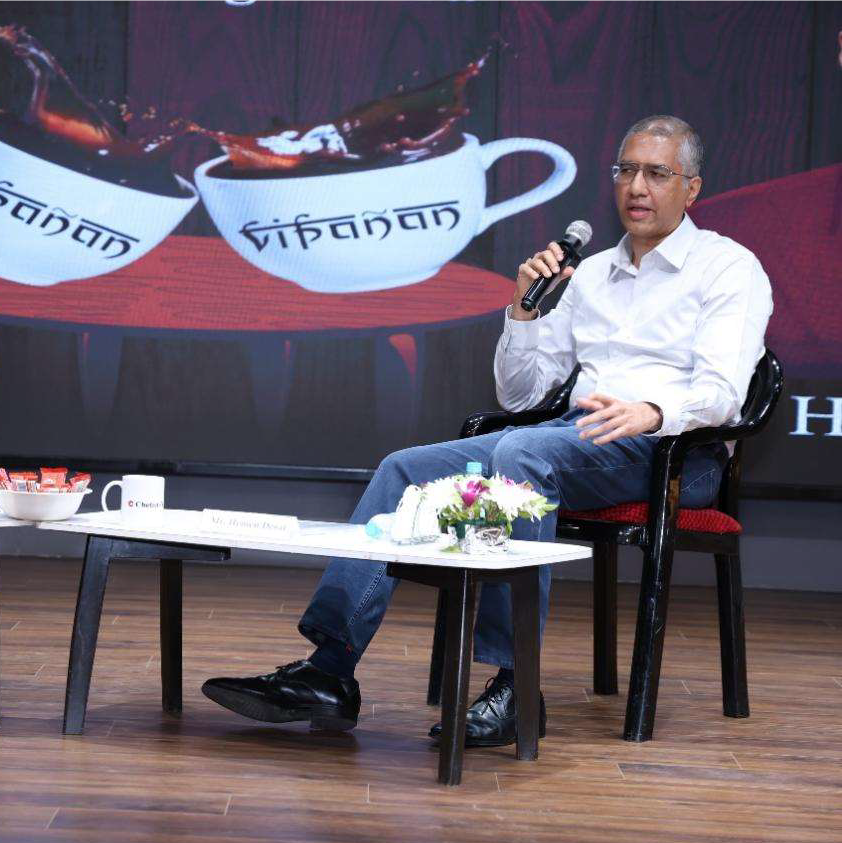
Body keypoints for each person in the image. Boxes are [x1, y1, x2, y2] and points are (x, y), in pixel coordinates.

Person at [201, 115, 774, 746]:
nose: (637, 186)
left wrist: (655, 412)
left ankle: (515, 685)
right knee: (404, 469)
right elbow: (521, 395)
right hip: (572, 437)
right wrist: (522, 310)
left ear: (691, 188)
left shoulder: (728, 267)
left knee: (522, 454)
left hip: (673, 453)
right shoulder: (590, 274)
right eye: (626, 170)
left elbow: (724, 392)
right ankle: (330, 670)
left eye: (657, 173)